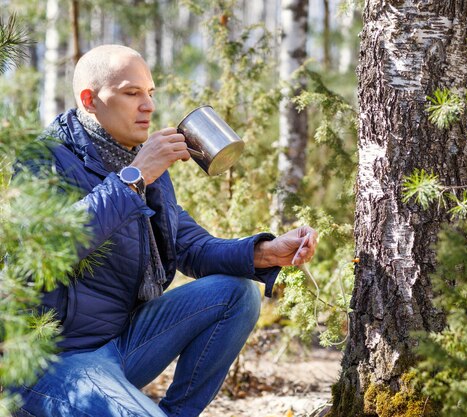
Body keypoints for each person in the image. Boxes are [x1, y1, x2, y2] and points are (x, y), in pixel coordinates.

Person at [11, 44, 318, 417]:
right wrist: (134, 178)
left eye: (151, 93)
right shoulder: (45, 157)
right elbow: (42, 252)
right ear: (90, 100)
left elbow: (188, 244)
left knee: (236, 293)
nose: (149, 106)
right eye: (131, 93)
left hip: (123, 345)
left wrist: (266, 252)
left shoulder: (137, 160)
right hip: (56, 361)